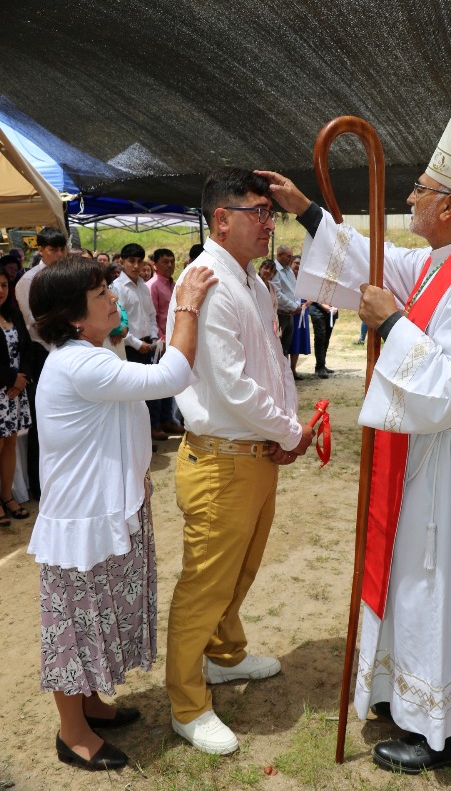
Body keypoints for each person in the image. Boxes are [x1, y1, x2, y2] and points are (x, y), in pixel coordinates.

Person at [257, 81, 451, 773]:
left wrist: (391, 324)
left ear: (450, 205)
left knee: (442, 586)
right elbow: (378, 261)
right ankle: (410, 698)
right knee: (418, 582)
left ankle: (445, 732)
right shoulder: (446, 263)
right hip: (431, 454)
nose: (408, 199)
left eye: (420, 191)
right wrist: (309, 212)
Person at [27, 256, 216, 771]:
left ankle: (90, 706)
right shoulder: (81, 364)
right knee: (75, 627)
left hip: (103, 512)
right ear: (73, 318)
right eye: (100, 295)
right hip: (84, 522)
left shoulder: (88, 353)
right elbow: (172, 375)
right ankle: (72, 733)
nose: (113, 298)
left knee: (96, 616)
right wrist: (187, 306)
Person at [165, 167, 315, 756]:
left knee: (241, 569)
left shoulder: (250, 279)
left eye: (270, 213)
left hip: (253, 453)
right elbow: (230, 386)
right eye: (259, 212)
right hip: (223, 457)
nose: (269, 223)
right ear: (222, 219)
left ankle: (223, 655)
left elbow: (272, 366)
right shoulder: (204, 281)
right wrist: (291, 431)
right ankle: (187, 703)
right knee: (205, 584)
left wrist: (285, 428)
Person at [15, 226, 68, 499]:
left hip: (66, 349)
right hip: (42, 353)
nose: (59, 254)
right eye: (53, 249)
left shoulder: (67, 275)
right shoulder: (29, 281)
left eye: (62, 249)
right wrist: (58, 347)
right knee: (43, 421)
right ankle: (39, 486)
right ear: (41, 250)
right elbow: (33, 324)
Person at [110, 244, 164, 440]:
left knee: (148, 391)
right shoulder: (117, 287)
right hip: (129, 347)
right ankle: (136, 437)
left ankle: (148, 431)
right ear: (122, 262)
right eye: (131, 261)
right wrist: (136, 343)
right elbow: (117, 321)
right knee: (134, 394)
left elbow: (151, 315)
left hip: (147, 344)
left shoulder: (143, 285)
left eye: (139, 262)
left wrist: (154, 336)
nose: (135, 266)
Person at [0, 266, 32, 525]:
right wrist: (12, 378)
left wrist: (23, 377)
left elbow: (27, 349)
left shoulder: (13, 313)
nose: (0, 290)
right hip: (3, 387)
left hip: (15, 392)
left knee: (10, 445)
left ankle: (7, 496)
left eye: (3, 285)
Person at [146, 248, 184, 436]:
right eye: (165, 262)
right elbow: (151, 315)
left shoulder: (174, 285)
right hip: (159, 342)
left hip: (173, 340)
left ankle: (167, 419)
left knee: (170, 381)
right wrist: (158, 339)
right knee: (157, 384)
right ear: (155, 264)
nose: (170, 265)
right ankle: (155, 424)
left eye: (172, 261)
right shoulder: (152, 286)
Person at [270, 244, 301, 357]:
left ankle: (285, 369)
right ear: (279, 255)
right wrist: (294, 306)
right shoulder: (274, 269)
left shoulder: (288, 270)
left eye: (291, 256)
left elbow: (295, 289)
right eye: (288, 256)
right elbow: (277, 294)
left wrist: (297, 304)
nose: (291, 259)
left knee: (285, 349)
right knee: (277, 349)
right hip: (280, 315)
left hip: (289, 315)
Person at [288, 255, 311, 380]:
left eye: (300, 264)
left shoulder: (304, 279)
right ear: (291, 263)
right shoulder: (286, 277)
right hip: (289, 311)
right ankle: (285, 370)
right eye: (296, 263)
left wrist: (305, 305)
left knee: (297, 341)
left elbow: (312, 294)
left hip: (301, 312)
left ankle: (293, 369)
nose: (298, 266)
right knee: (287, 341)